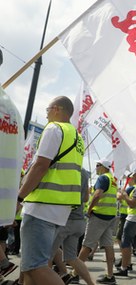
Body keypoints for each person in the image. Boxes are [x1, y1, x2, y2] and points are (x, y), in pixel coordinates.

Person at [17, 96, 84, 285]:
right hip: (60, 209)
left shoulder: (54, 129)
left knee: (33, 266)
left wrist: (19, 197)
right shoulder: (77, 137)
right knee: (31, 266)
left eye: (47, 110)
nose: (46, 114)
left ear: (56, 109)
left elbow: (40, 165)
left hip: (42, 205)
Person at [50, 168, 95, 285]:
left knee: (46, 257)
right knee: (71, 257)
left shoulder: (66, 167)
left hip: (65, 219)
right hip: (79, 220)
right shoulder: (84, 173)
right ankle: (91, 283)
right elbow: (85, 198)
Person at [76, 159, 117, 285]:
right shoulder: (113, 179)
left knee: (87, 245)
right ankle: (110, 275)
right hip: (109, 217)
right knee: (108, 245)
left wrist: (89, 210)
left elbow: (98, 195)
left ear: (103, 167)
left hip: (99, 216)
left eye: (97, 165)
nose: (96, 168)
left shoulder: (103, 178)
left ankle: (74, 274)